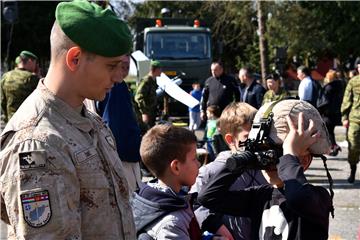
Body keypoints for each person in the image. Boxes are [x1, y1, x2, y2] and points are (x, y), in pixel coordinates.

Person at [0, 1, 136, 239]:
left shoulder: (90, 122)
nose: (118, 77)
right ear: (74, 59)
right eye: (111, 66)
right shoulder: (37, 143)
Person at [198, 99, 333, 240]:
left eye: (280, 155)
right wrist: (244, 158)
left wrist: (289, 153)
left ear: (304, 160)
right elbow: (208, 198)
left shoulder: (319, 198)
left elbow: (296, 198)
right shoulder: (261, 197)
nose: (269, 163)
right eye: (263, 153)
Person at [191, 102, 267, 240]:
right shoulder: (210, 171)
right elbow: (195, 204)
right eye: (249, 137)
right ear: (230, 140)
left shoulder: (267, 169)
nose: (257, 142)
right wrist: (214, 224)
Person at [131, 124, 202, 239]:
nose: (198, 164)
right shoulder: (171, 224)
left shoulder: (153, 199)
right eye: (194, 159)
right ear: (176, 167)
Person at [97, 54, 143, 193]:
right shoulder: (117, 86)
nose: (124, 69)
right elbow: (116, 126)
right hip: (123, 159)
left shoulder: (102, 83)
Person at [1, 50, 39, 127]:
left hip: (10, 122)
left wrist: (7, 118)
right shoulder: (31, 78)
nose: (36, 66)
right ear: (30, 61)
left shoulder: (5, 76)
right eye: (35, 63)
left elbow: (2, 101)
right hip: (26, 123)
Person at [318, 69, 345, 156]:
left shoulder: (328, 88)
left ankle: (333, 147)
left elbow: (324, 102)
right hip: (336, 113)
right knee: (330, 131)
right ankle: (333, 147)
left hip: (327, 113)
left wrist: (320, 110)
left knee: (328, 131)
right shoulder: (340, 86)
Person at [341, 67, 360, 183]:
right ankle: (353, 171)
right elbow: (347, 100)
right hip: (355, 120)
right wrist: (344, 117)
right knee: (353, 147)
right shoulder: (353, 81)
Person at [135, 60, 162, 129]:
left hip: (152, 113)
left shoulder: (153, 80)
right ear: (155, 69)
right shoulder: (146, 81)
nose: (161, 71)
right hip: (146, 114)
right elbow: (139, 97)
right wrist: (144, 113)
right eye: (160, 69)